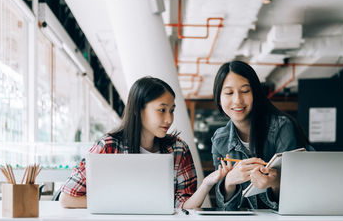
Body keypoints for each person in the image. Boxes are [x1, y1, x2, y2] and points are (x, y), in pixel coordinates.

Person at [60, 76, 231, 209]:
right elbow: (67, 197)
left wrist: (207, 184)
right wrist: (121, 204)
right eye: (162, 110)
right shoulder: (109, 146)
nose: (169, 119)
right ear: (137, 109)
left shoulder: (178, 149)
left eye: (171, 111)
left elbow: (183, 206)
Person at [211, 60, 312, 210]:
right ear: (219, 97)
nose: (237, 100)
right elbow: (224, 208)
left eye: (245, 91)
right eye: (229, 93)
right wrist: (229, 182)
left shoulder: (281, 127)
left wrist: (275, 183)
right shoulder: (219, 140)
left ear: (255, 93)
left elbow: (299, 193)